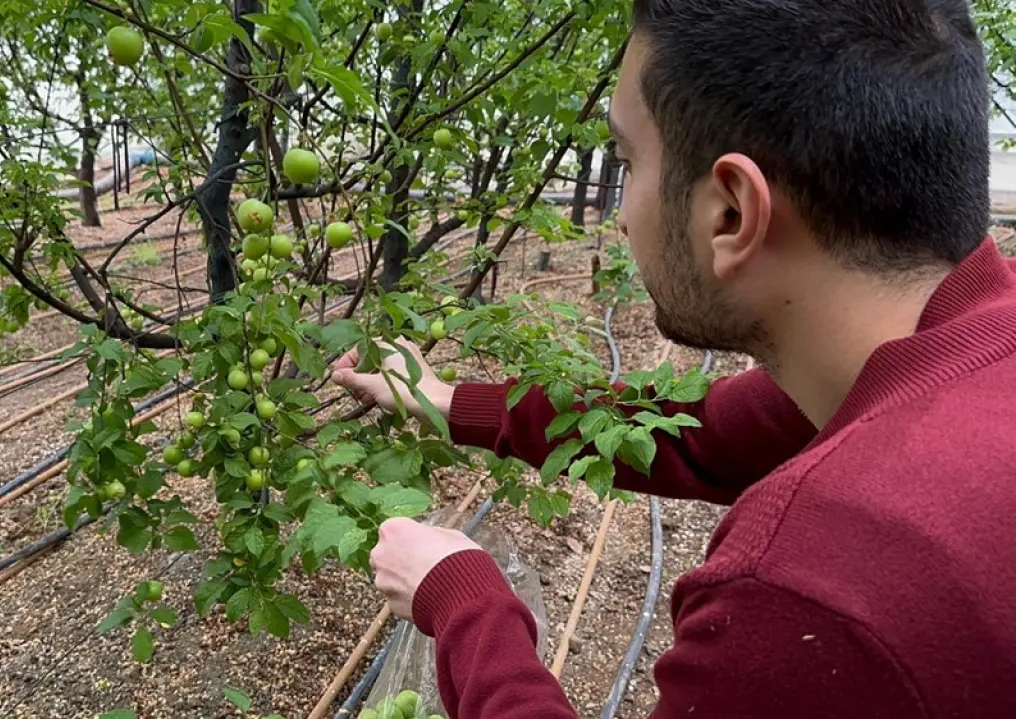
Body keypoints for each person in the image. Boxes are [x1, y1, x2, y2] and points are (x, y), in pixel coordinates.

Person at [330, 1, 1016, 717]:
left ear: (729, 212)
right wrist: (443, 399)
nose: (620, 212)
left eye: (627, 161)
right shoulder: (960, 352)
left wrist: (466, 600)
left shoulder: (813, 587)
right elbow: (695, 431)